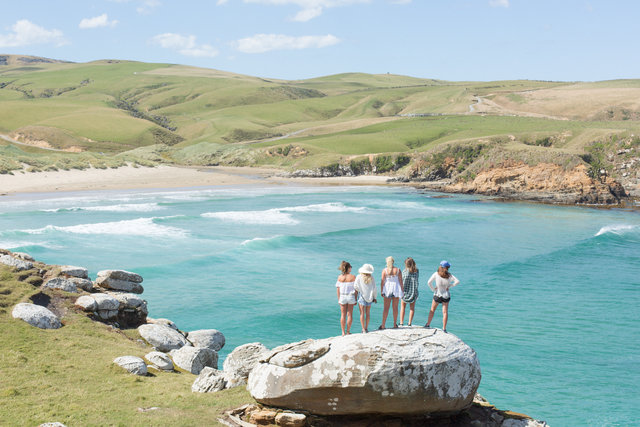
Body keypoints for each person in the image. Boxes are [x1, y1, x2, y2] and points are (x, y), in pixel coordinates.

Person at [425, 260, 460, 332]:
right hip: (446, 295)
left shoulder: (436, 274)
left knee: (432, 310)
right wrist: (450, 286)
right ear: (447, 267)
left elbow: (429, 282)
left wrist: (433, 289)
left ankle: (428, 324)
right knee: (445, 312)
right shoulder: (449, 275)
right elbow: (457, 281)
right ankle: (444, 328)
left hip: (437, 294)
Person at [379, 256, 403, 329]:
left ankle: (383, 325)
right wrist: (402, 291)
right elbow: (401, 281)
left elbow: (382, 281)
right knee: (395, 308)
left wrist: (381, 290)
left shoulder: (385, 270)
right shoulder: (398, 270)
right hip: (396, 289)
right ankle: (395, 324)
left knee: (386, 308)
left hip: (387, 289)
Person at [354, 263, 377, 333]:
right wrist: (374, 297)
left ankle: (363, 329)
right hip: (370, 297)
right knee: (368, 313)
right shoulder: (372, 278)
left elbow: (355, 286)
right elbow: (374, 288)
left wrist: (360, 289)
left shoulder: (358, 277)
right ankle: (366, 328)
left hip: (362, 296)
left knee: (362, 313)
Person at [336, 261, 356, 336]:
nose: (351, 268)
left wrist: (339, 299)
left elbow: (338, 289)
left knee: (343, 314)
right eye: (351, 267)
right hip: (351, 296)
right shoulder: (353, 277)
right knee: (350, 314)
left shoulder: (340, 277)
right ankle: (348, 331)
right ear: (348, 268)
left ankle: (343, 332)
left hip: (342, 296)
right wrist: (356, 298)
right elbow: (356, 289)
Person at [400, 257, 419, 326]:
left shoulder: (404, 272)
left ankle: (401, 323)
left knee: (402, 307)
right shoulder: (417, 271)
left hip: (405, 292)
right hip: (413, 292)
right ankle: (409, 323)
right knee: (412, 308)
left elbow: (402, 282)